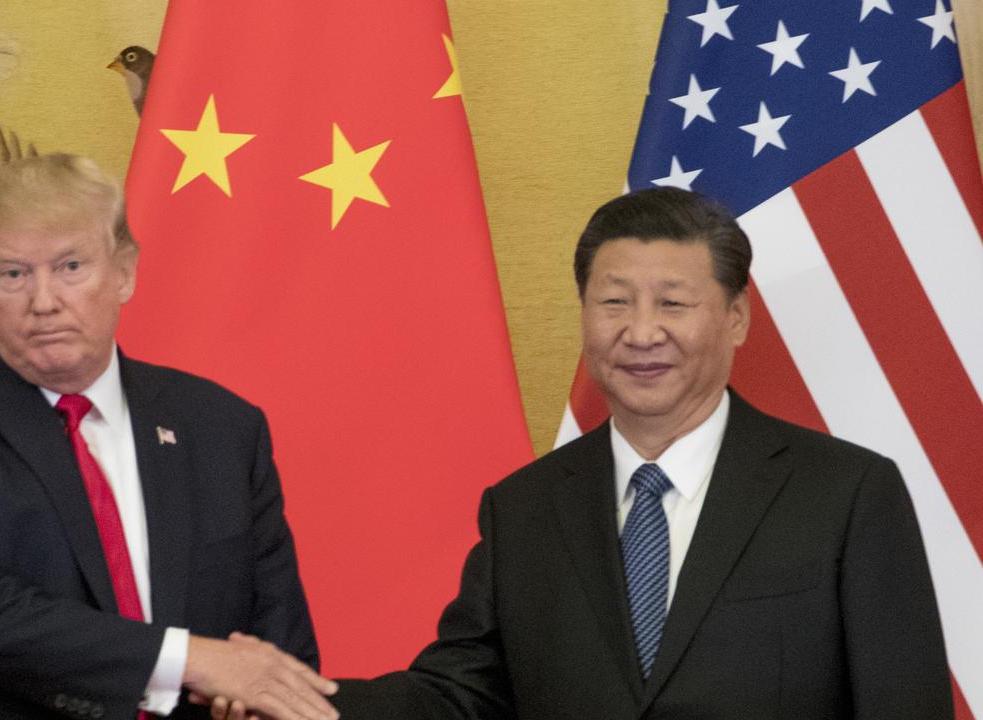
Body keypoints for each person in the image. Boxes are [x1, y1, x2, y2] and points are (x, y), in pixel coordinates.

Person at [321, 188, 950, 719]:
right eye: (614, 301)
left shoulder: (847, 493)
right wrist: (279, 698)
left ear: (736, 318)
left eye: (673, 303)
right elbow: (455, 698)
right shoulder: (525, 508)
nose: (641, 332)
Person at [0, 153, 338, 720]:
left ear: (124, 273)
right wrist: (190, 661)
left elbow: (277, 646)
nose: (44, 301)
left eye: (70, 267)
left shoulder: (223, 425)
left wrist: (253, 694)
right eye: (13, 274)